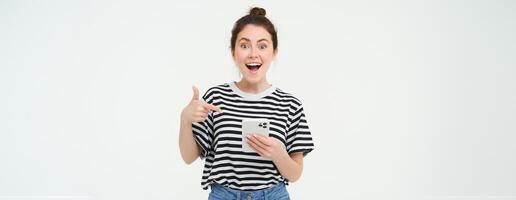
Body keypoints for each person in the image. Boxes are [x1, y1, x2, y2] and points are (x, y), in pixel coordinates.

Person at [178, 7, 315, 200]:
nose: (253, 54)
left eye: (262, 45)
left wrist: (278, 154)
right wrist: (185, 119)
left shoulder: (290, 105)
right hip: (223, 195)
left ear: (274, 51)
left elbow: (295, 173)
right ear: (233, 52)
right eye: (244, 45)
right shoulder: (216, 97)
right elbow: (188, 157)